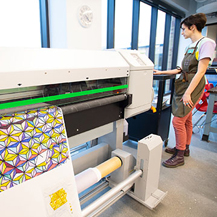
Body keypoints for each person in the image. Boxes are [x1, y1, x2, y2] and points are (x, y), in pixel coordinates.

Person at [154, 13, 216, 168]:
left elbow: (201, 71)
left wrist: (188, 93)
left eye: (183, 29)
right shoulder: (191, 46)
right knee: (187, 119)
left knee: (178, 120)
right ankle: (185, 148)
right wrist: (161, 72)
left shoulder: (206, 43)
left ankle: (179, 154)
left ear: (192, 27)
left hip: (193, 87)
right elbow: (181, 69)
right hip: (184, 84)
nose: (182, 33)